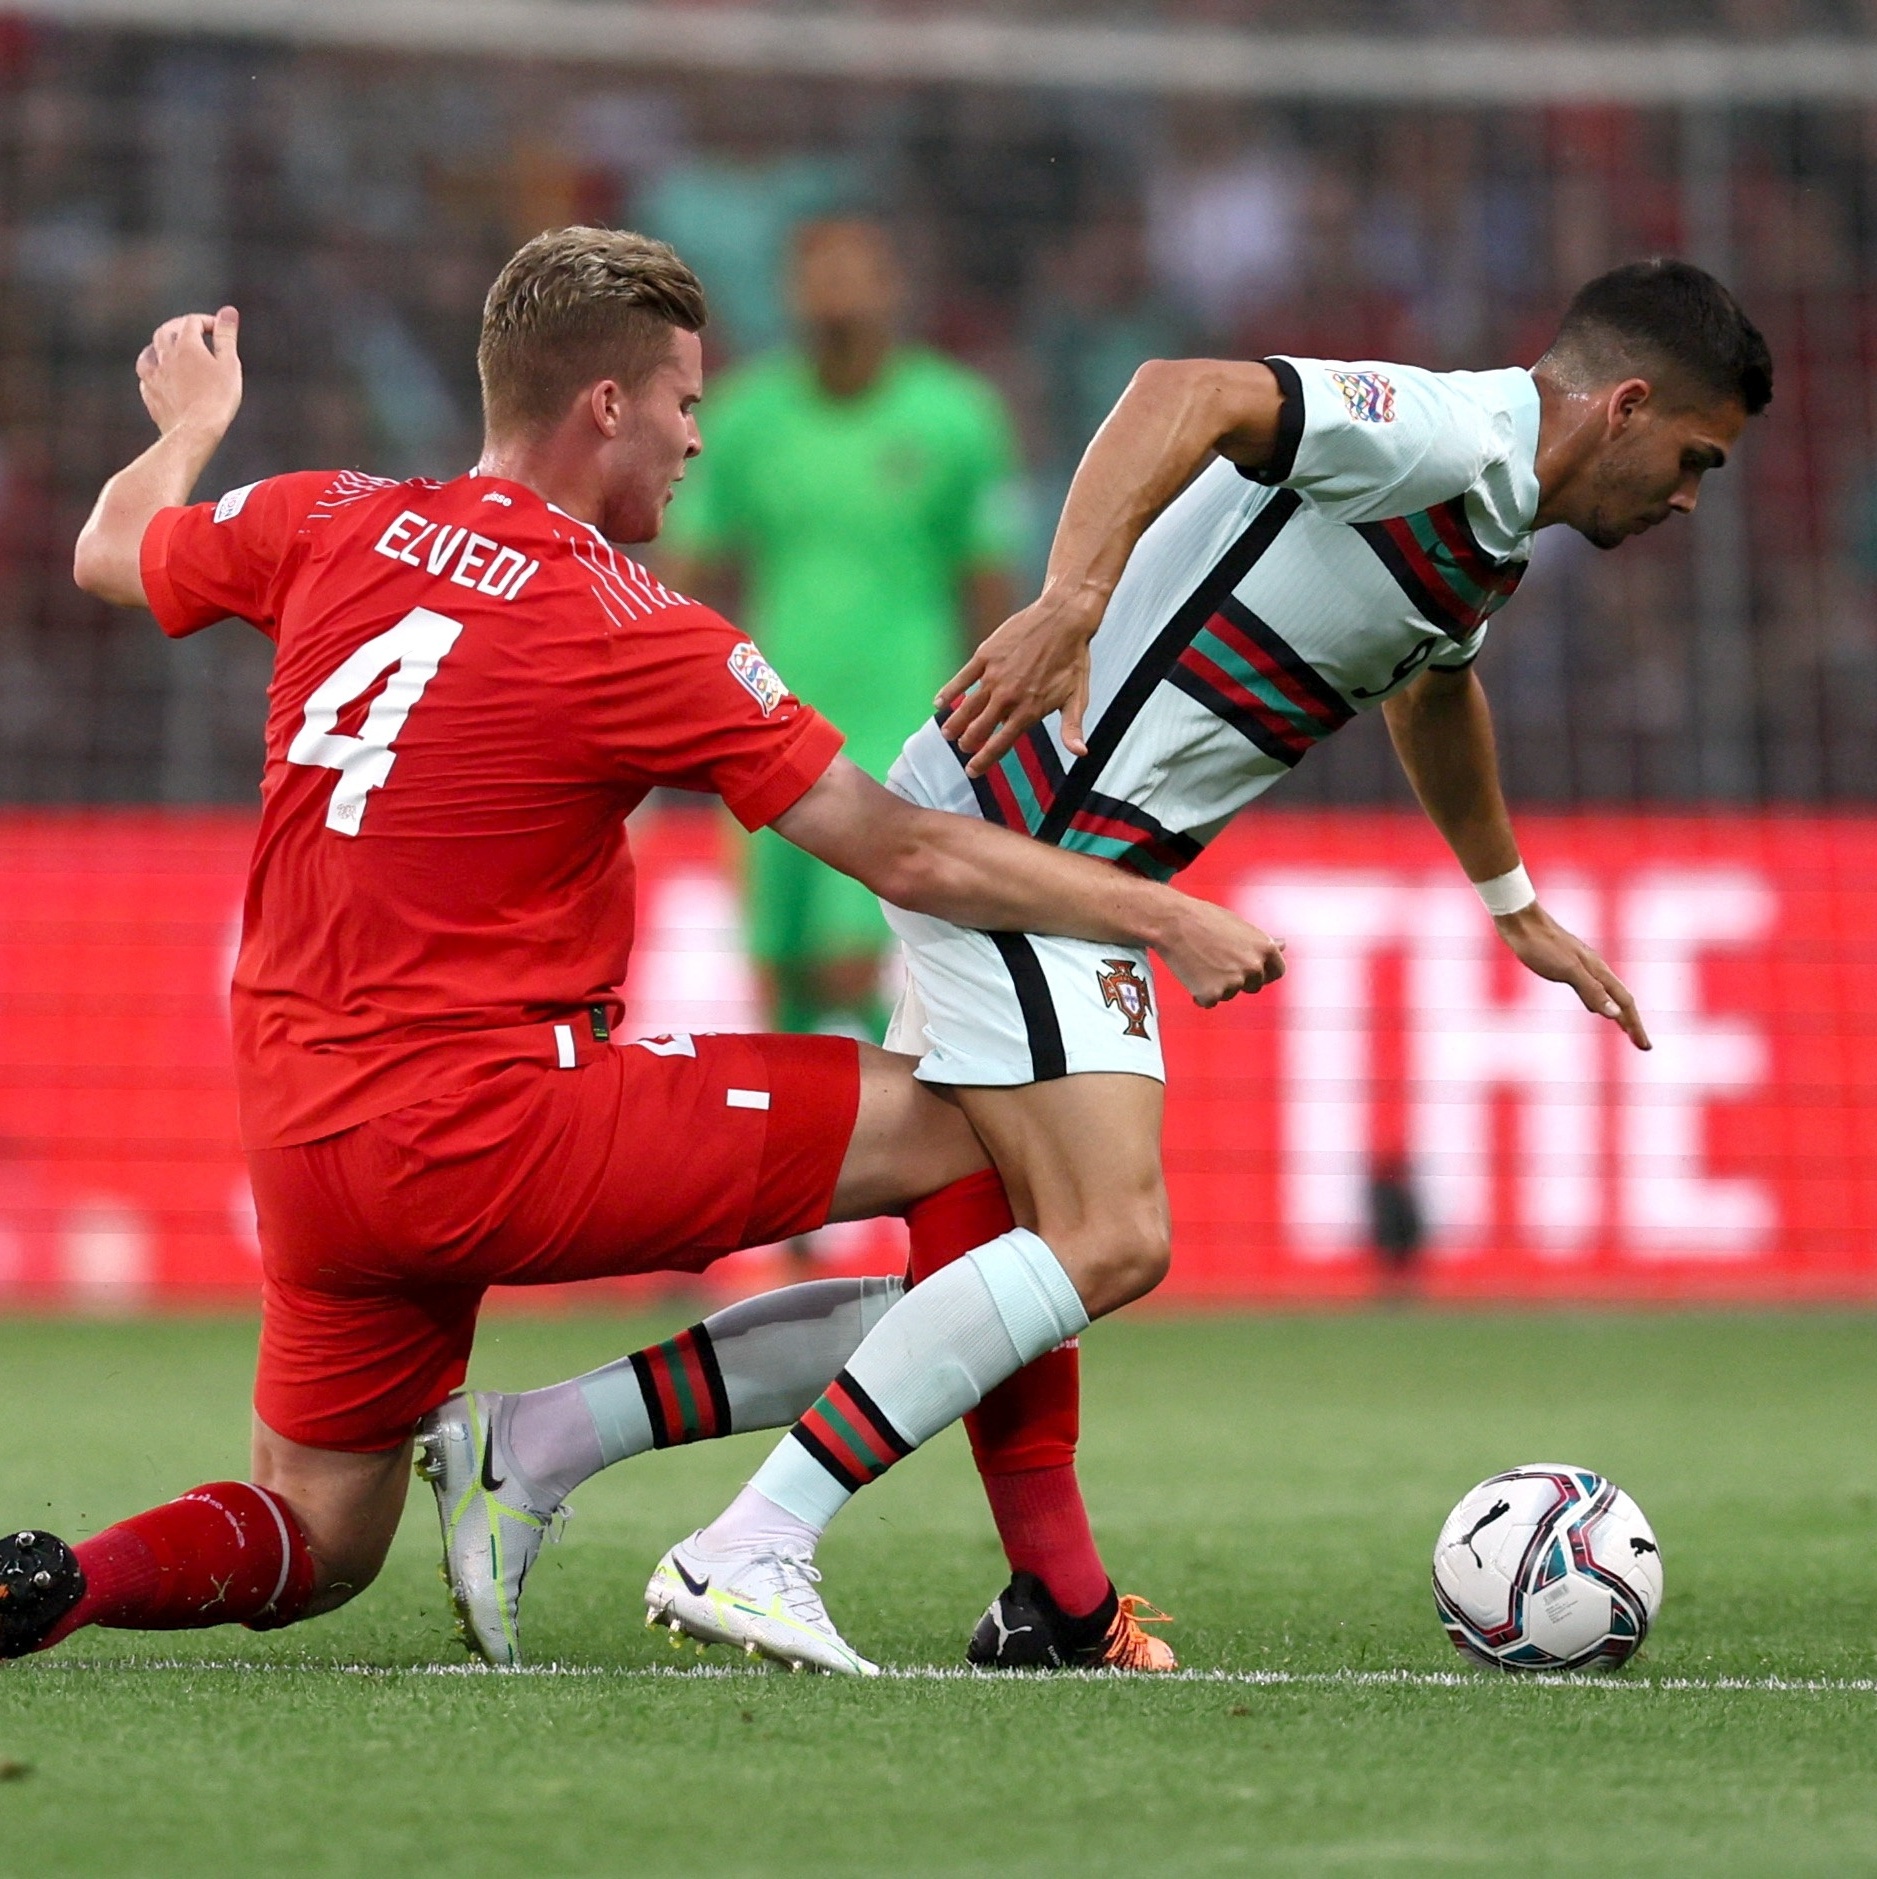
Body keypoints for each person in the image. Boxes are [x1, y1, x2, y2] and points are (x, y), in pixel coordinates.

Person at [0, 228, 1284, 1674]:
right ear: (604, 406)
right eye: (682, 397)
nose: (697, 433)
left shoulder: (326, 517)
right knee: (991, 1151)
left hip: (305, 1156)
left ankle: (66, 1576)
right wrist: (1159, 910)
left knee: (320, 1538)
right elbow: (903, 848)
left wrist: (187, 432)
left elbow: (111, 548)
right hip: (489, 1125)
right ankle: (920, 1561)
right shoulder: (624, 625)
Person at [648, 259, 1772, 1673]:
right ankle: (754, 1538)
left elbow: (1432, 681)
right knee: (1109, 1235)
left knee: (997, 1253)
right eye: (1694, 458)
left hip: (1051, 848)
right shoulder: (1441, 430)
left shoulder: (1488, 519)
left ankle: (563, 1443)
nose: (1685, 497)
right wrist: (1072, 597)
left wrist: (1509, 900)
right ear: (1623, 405)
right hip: (1028, 839)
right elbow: (1182, 391)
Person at [662, 217, 1023, 1044]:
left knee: (851, 958)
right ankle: (814, 1157)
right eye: (817, 273)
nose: (834, 291)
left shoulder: (957, 416)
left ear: (893, 287)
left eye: (853, 272)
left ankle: (898, 1132)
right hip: (770, 719)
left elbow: (989, 586)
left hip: (899, 722)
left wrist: (997, 733)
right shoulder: (749, 417)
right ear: (790, 290)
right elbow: (694, 567)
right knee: (778, 968)